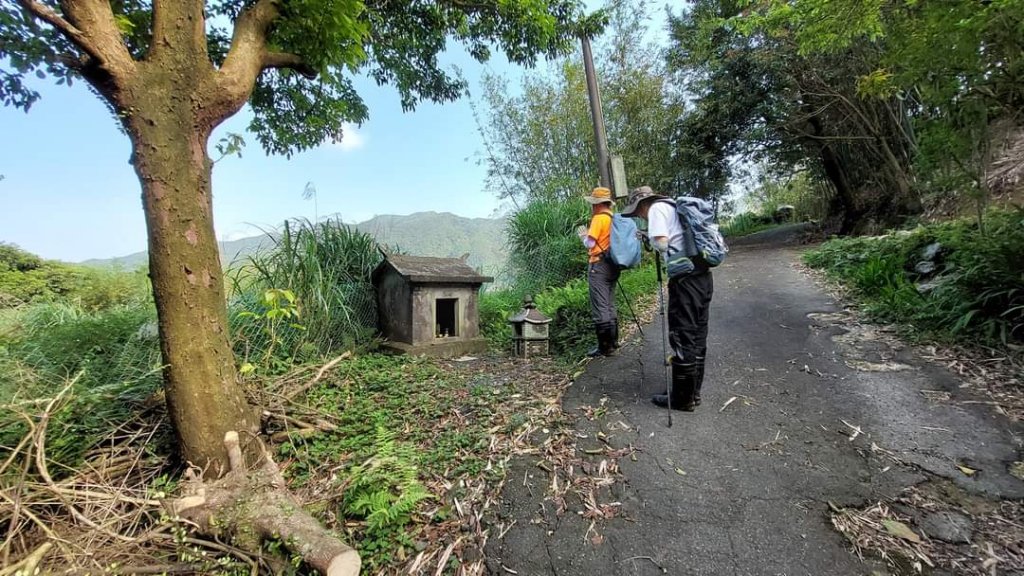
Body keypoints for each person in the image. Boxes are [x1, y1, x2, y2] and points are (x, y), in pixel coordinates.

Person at [621, 186, 714, 411]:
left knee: (682, 336)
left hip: (685, 282)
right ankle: (692, 393)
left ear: (642, 204)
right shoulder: (673, 207)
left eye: (637, 212)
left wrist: (649, 239)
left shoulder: (655, 210)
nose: (640, 217)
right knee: (697, 336)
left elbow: (662, 242)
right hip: (702, 277)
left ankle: (682, 399)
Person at [576, 186, 620, 357]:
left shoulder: (599, 218)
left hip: (599, 265)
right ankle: (614, 341)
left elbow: (590, 243)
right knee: (609, 303)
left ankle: (605, 347)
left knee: (600, 305)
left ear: (597, 204)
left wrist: (583, 236)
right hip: (612, 264)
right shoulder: (613, 218)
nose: (592, 206)